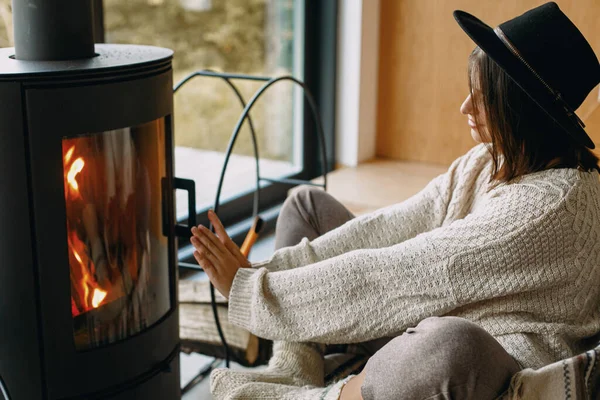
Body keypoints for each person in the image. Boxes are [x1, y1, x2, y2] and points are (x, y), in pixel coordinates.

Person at [190, 3, 600, 399]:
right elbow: (394, 225)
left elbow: (401, 275)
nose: (465, 107)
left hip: (480, 355)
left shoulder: (549, 208)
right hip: (423, 315)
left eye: (481, 97)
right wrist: (262, 273)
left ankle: (315, 396)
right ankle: (293, 371)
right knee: (305, 205)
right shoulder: (492, 160)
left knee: (449, 345)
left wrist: (253, 291)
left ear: (519, 109)